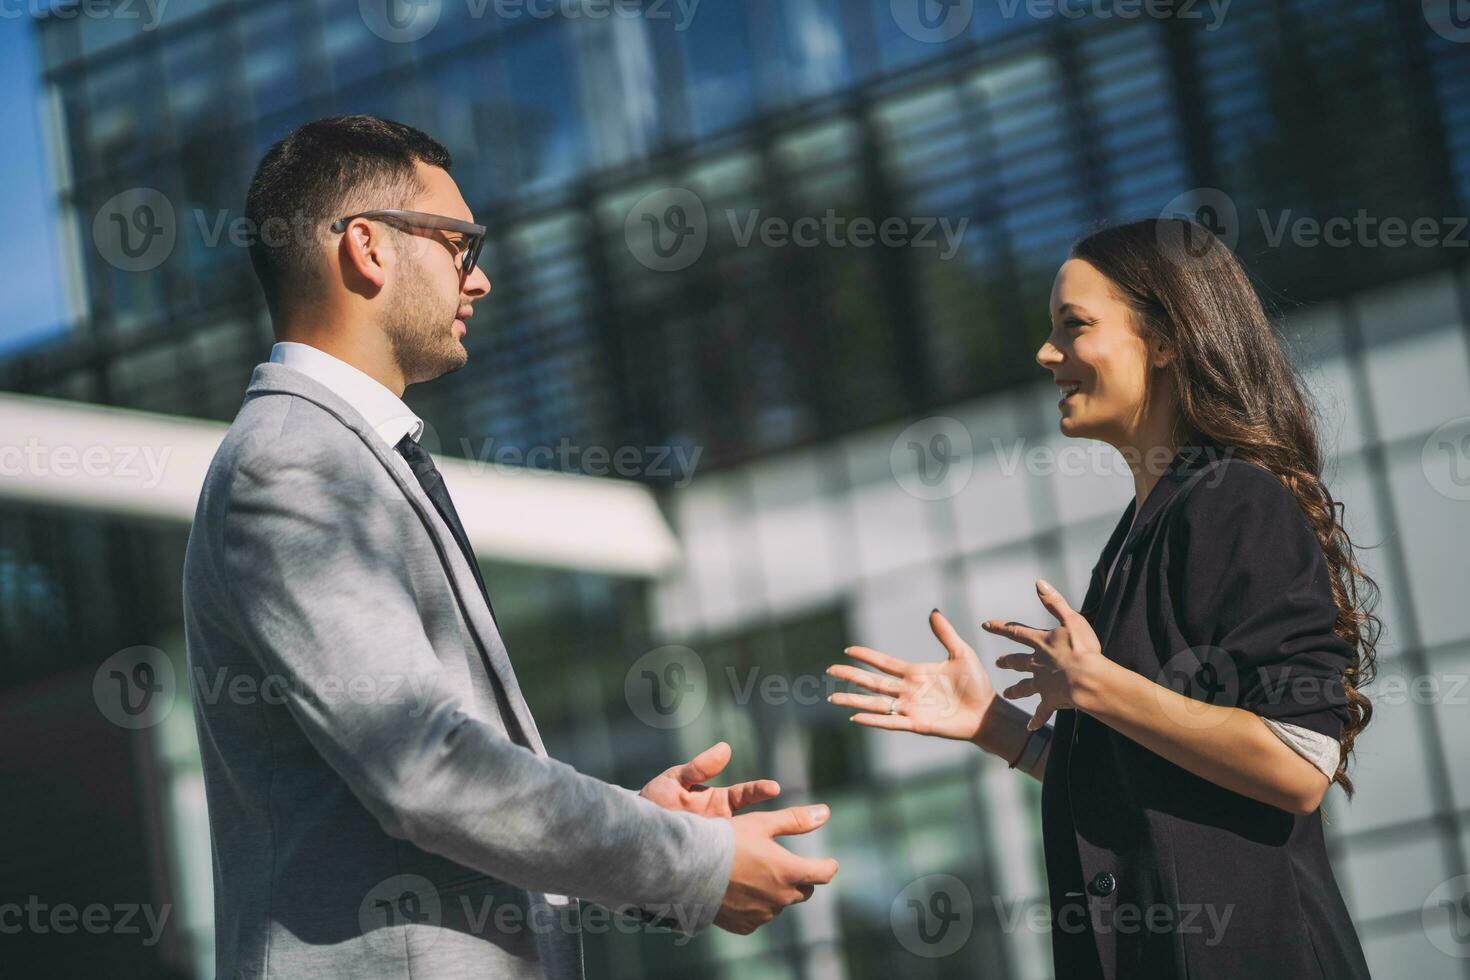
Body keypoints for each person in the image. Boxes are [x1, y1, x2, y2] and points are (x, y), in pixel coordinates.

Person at [182, 115, 837, 980]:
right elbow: (425, 768)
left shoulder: (346, 458)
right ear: (368, 249)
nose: (480, 279)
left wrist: (646, 829)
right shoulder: (292, 466)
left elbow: (443, 783)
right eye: (459, 243)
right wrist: (691, 865)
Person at [826, 218, 1377, 979]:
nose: (1047, 353)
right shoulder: (1144, 530)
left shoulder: (1232, 500)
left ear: (1165, 338)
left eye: (1074, 326)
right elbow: (1150, 779)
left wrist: (1099, 686)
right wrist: (998, 727)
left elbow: (1298, 763)